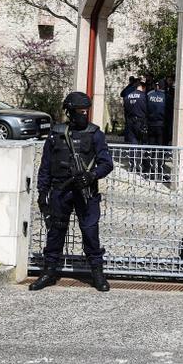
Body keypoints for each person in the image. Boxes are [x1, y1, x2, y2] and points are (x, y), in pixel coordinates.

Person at [29, 91, 114, 293]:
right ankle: (49, 271)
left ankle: (97, 273)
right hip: (60, 191)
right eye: (79, 111)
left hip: (86, 192)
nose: (83, 115)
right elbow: (46, 165)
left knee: (90, 232)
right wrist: (42, 192)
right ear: (69, 112)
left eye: (86, 111)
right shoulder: (56, 134)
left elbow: (106, 163)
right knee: (56, 231)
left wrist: (92, 176)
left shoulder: (95, 134)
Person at [146, 79, 168, 146]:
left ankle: (151, 156)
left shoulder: (149, 95)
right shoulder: (167, 97)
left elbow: (146, 108)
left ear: (158, 86)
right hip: (162, 125)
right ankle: (160, 156)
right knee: (161, 144)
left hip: (151, 123)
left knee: (151, 143)